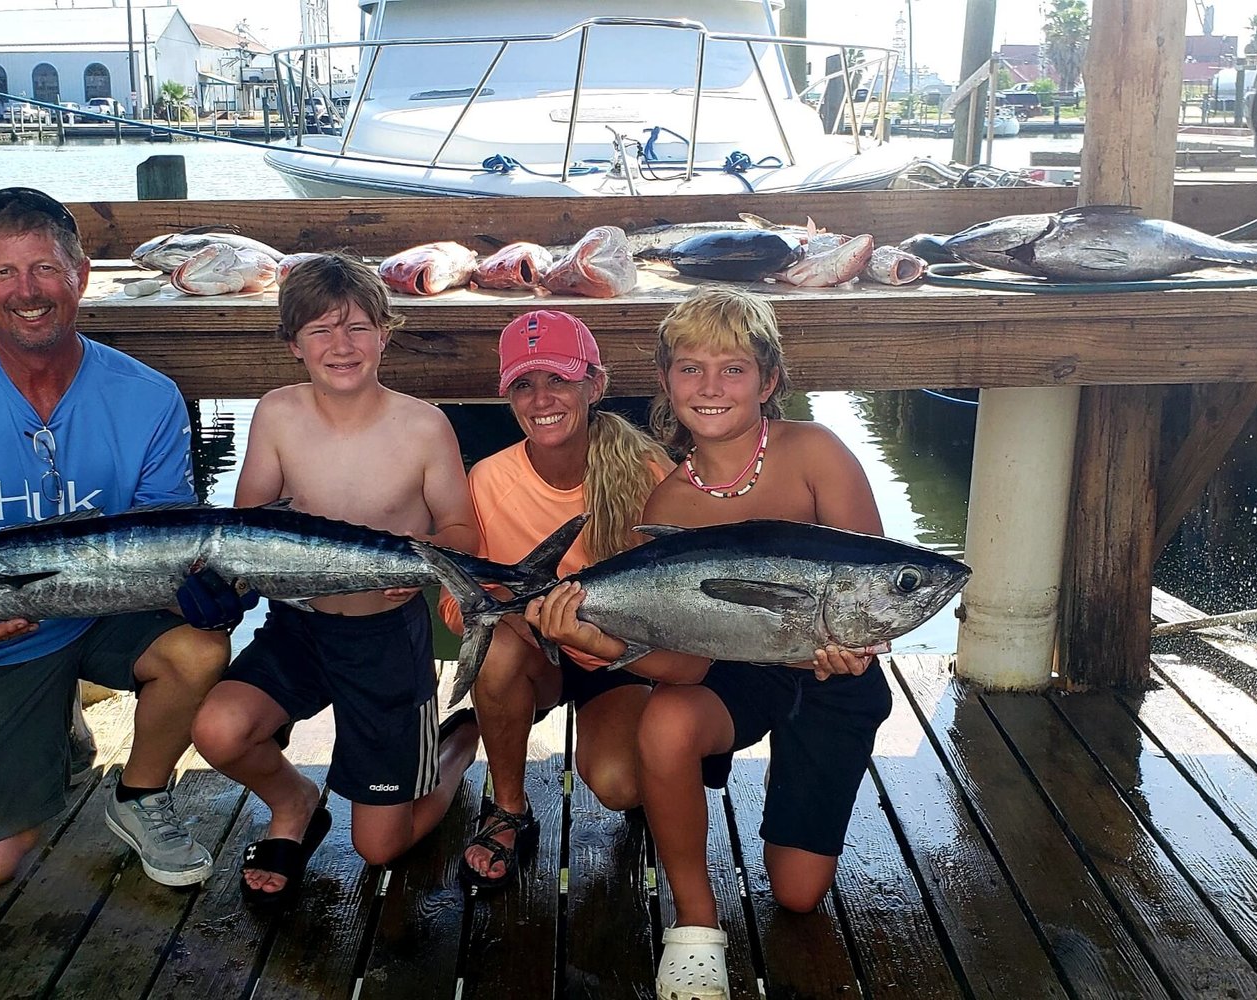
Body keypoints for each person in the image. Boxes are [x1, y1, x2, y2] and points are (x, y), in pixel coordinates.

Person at [527, 287, 893, 1000]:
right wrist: (591, 638)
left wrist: (856, 649)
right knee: (664, 721)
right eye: (690, 368)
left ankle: (798, 778)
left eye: (732, 369)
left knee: (795, 893)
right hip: (738, 667)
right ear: (664, 383)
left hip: (832, 674)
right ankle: (694, 928)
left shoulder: (816, 452)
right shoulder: (669, 506)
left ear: (769, 380)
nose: (710, 386)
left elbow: (871, 581)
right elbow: (684, 663)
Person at [0, 187, 238, 891]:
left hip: (110, 609)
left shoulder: (149, 395)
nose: (27, 291)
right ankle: (60, 723)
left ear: (80, 274)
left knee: (201, 646)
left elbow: (161, 531)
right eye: (4, 272)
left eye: (45, 268)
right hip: (4, 630)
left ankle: (139, 795)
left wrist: (196, 590)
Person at [190, 252, 484, 908]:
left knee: (379, 846)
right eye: (320, 330)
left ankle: (457, 745)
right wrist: (220, 577)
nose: (340, 345)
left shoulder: (422, 424)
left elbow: (462, 531)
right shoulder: (276, 413)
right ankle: (294, 803)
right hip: (299, 626)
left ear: (385, 332)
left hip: (388, 639)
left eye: (356, 327)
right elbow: (249, 525)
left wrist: (420, 563)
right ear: (293, 345)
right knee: (217, 728)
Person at [442, 310, 672, 890]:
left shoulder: (649, 471)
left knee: (620, 785)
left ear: (595, 384)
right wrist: (520, 622)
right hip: (536, 657)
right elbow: (455, 603)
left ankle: (651, 756)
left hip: (620, 659)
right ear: (508, 398)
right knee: (492, 647)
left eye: (558, 379)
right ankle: (509, 807)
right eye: (523, 384)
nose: (541, 398)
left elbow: (678, 599)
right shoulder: (489, 481)